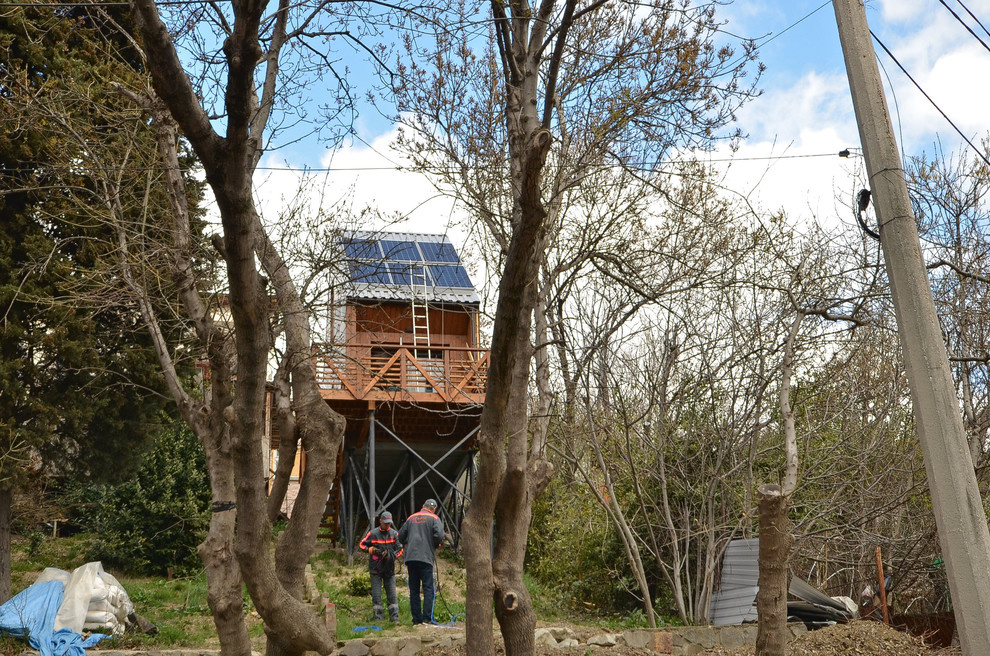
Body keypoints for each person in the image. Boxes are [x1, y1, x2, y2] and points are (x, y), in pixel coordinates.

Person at [397, 498, 446, 625]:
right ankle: (426, 618)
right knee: (428, 588)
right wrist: (434, 544)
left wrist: (410, 542)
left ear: (423, 506)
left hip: (411, 558)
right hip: (426, 558)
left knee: (414, 590)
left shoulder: (411, 518)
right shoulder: (434, 518)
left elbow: (400, 536)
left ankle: (416, 620)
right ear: (433, 508)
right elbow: (440, 536)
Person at [358, 510, 403, 623]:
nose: (387, 525)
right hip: (376, 569)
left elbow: (400, 548)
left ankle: (394, 618)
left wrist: (391, 556)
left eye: (389, 523)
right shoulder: (373, 533)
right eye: (385, 522)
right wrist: (370, 550)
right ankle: (379, 618)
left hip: (389, 569)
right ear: (380, 521)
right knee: (377, 595)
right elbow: (361, 544)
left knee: (392, 594)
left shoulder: (394, 534)